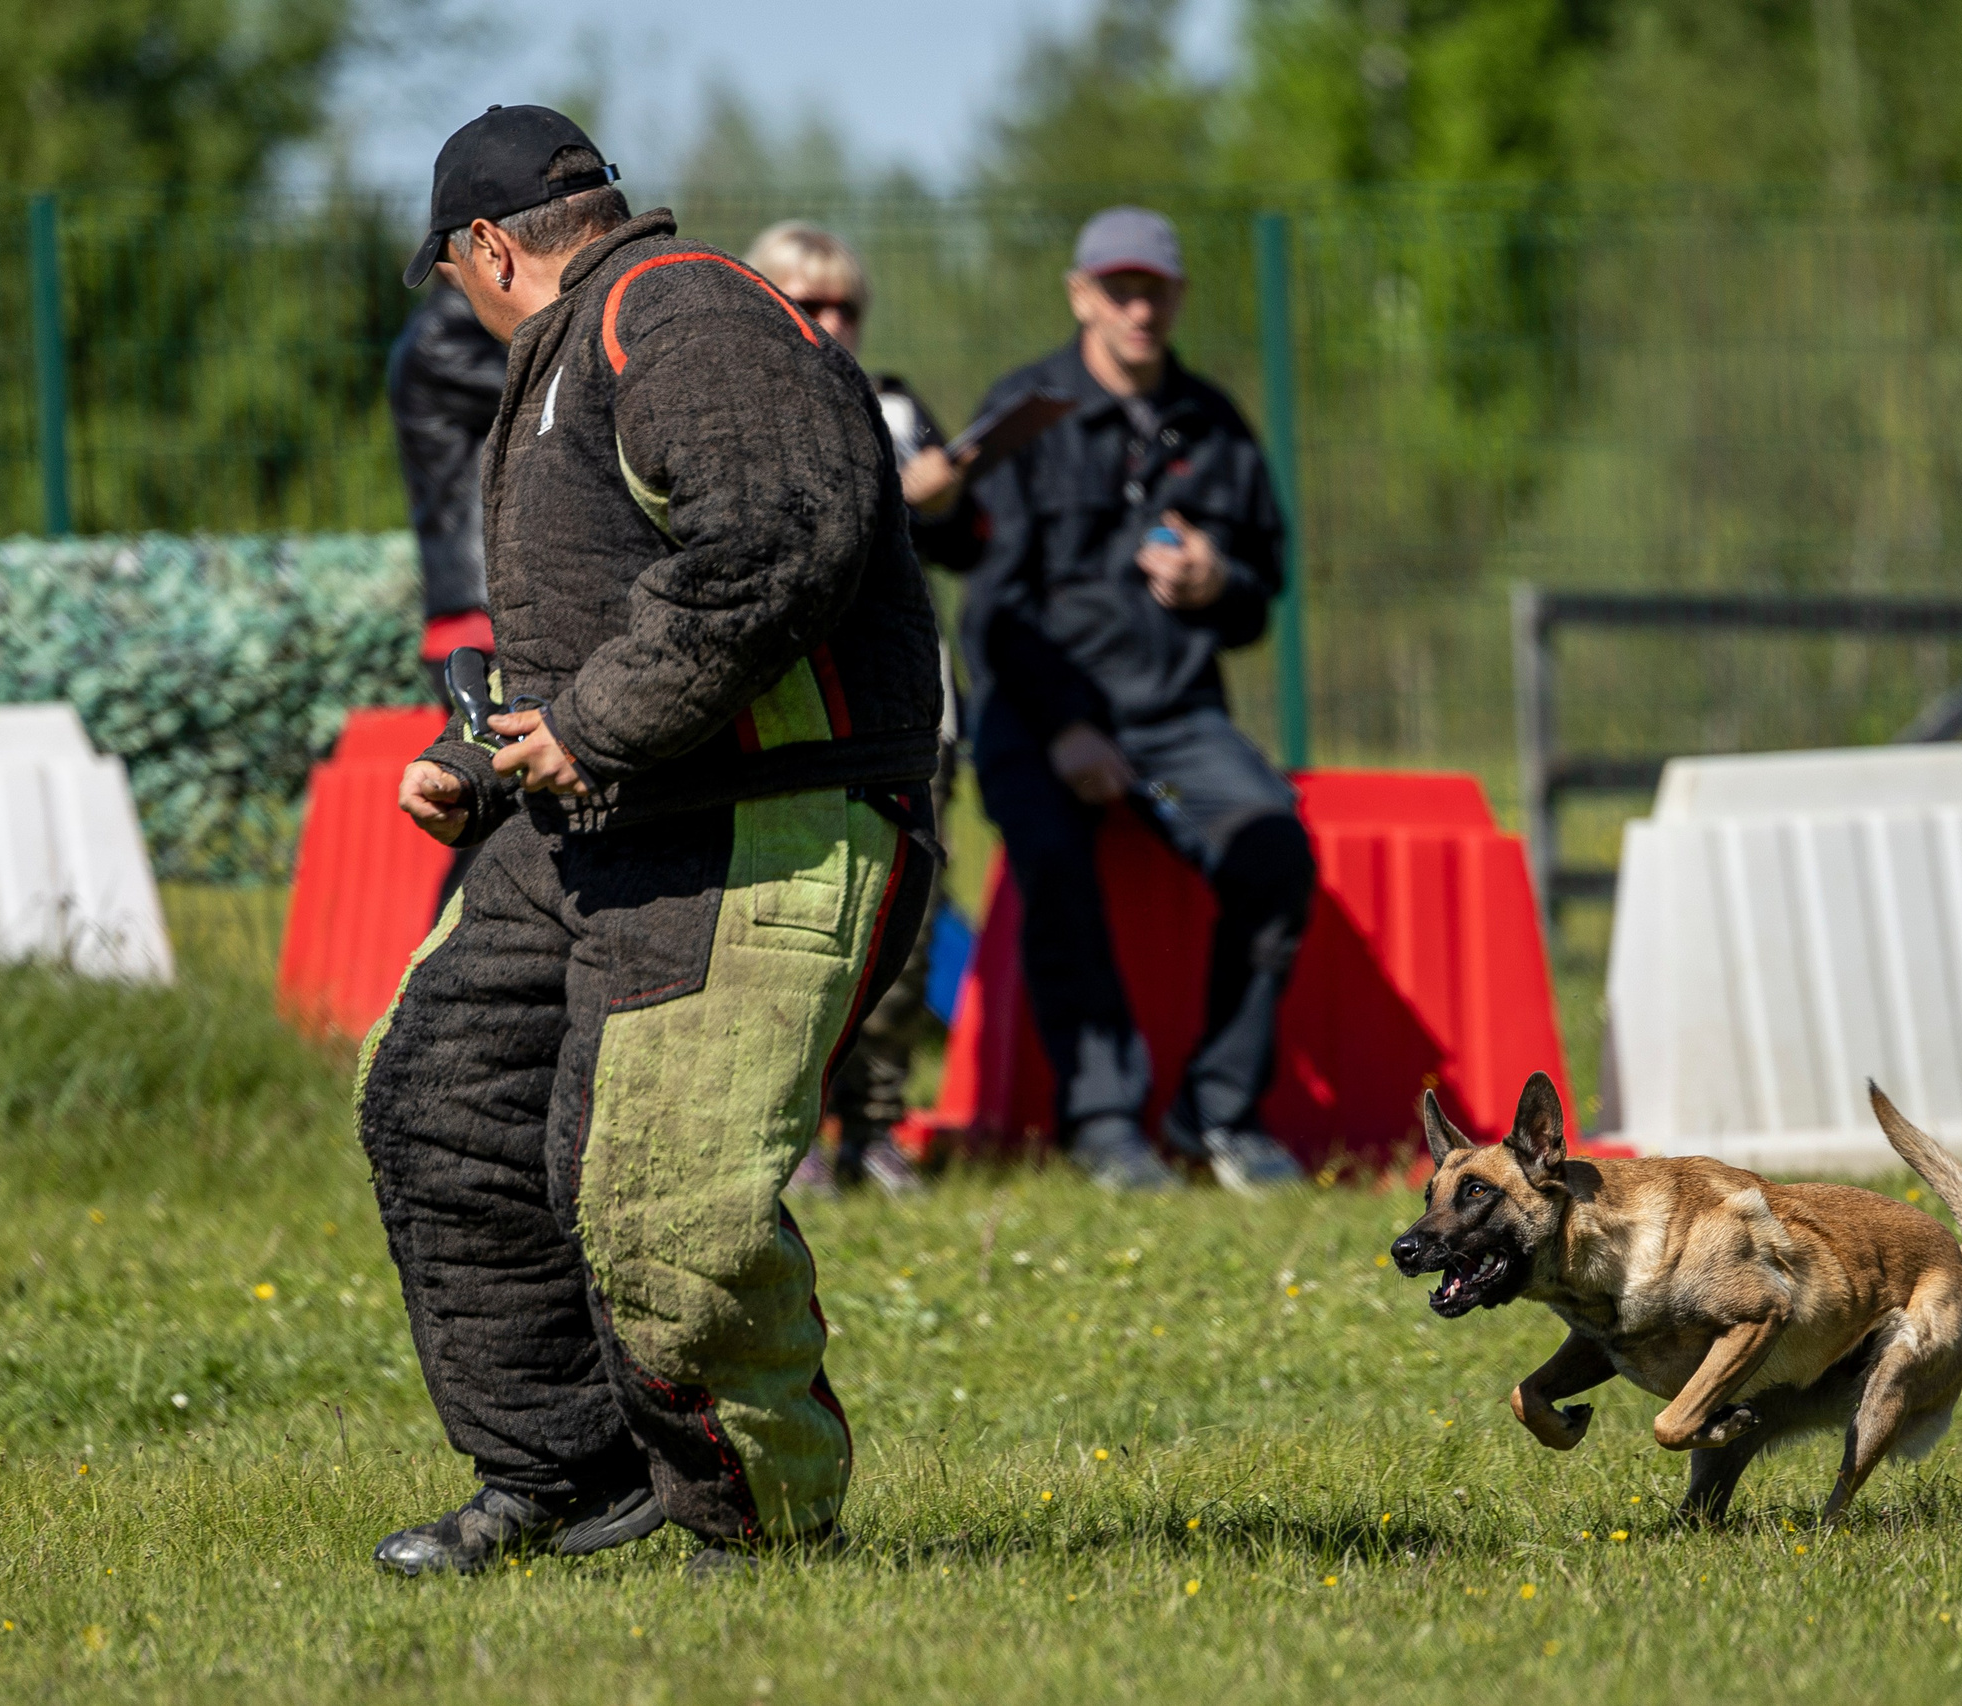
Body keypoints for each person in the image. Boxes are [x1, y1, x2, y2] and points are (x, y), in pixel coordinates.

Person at [356, 105, 943, 1580]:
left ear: (490, 246)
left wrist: (600, 716)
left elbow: (776, 533)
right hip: (591, 818)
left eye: (457, 276)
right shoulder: (575, 357)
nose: (464, 306)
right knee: (440, 1102)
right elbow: (591, 618)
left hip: (764, 819)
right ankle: (561, 1464)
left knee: (654, 1190)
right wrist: (477, 754)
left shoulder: (682, 313)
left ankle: (754, 1515)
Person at [962, 206, 1313, 1195]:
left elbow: (1260, 592)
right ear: (1080, 295)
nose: (1136, 306)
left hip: (1171, 725)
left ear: (1176, 297)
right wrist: (1067, 726)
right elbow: (986, 609)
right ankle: (1105, 1120)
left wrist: (1217, 579)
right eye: (1117, 288)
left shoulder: (1213, 424)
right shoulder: (1023, 411)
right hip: (1037, 713)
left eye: (1153, 288)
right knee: (1058, 869)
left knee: (1271, 850)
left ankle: (1219, 1112)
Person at [744, 221, 978, 1198]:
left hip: (910, 700)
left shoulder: (894, 403)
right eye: (808, 298)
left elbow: (967, 543)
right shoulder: (737, 405)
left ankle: (876, 1124)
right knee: (795, 919)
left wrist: (947, 497)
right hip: (795, 701)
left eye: (845, 303)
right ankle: (789, 1124)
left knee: (905, 920)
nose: (829, 319)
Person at [385, 280, 506, 687]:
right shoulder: (442, 335)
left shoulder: (453, 331)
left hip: (483, 611)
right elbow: (550, 391)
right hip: (480, 613)